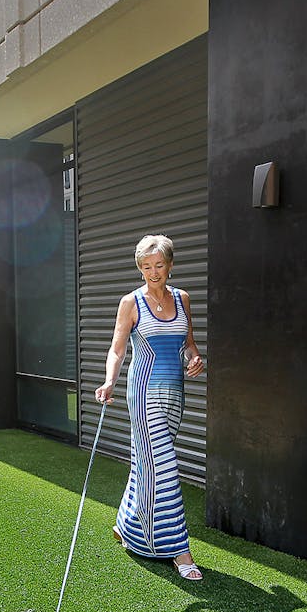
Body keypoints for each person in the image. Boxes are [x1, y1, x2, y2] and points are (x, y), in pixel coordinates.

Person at [95, 234, 207, 580]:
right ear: (139, 267)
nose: (152, 272)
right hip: (143, 392)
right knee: (165, 466)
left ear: (169, 266)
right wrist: (109, 380)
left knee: (148, 461)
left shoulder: (182, 299)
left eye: (158, 265)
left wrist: (195, 358)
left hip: (176, 394)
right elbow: (117, 349)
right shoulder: (131, 302)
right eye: (145, 266)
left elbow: (188, 344)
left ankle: (126, 526)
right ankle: (179, 551)